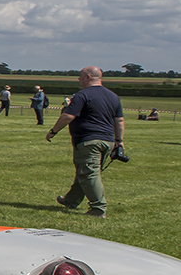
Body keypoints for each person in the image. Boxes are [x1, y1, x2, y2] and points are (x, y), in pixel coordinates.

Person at [47, 67, 124, 217]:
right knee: (85, 172)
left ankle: (98, 208)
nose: (79, 80)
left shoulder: (82, 95)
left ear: (88, 77)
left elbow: (68, 116)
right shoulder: (113, 96)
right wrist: (119, 141)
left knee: (89, 174)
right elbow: (119, 120)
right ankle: (71, 200)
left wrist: (53, 131)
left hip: (88, 140)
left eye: (80, 77)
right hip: (107, 141)